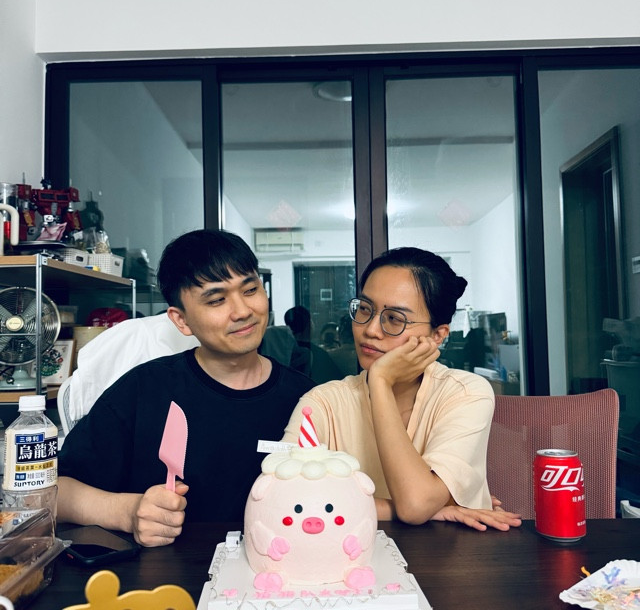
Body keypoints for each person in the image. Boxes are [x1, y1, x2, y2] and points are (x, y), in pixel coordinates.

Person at [58, 229, 315, 547]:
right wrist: (129, 512)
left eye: (250, 290)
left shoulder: (305, 399)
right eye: (217, 300)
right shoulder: (143, 390)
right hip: (165, 575)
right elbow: (54, 493)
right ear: (181, 320)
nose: (242, 311)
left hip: (276, 572)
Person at [283, 247, 521, 532]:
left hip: (452, 553)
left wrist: (380, 381)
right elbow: (283, 498)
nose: (371, 330)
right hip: (351, 553)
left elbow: (416, 505)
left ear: (437, 335)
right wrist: (428, 509)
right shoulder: (323, 403)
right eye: (364, 309)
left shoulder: (465, 392)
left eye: (394, 319)